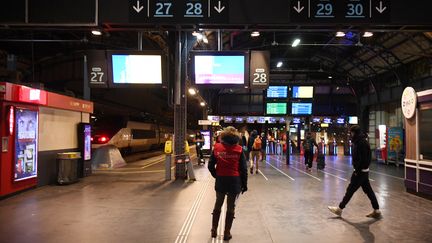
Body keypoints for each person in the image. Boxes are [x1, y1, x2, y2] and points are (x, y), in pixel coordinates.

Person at [328, 125, 381, 219]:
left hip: (360, 171)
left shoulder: (361, 143)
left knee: (350, 190)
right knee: (368, 191)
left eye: (351, 133)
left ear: (354, 133)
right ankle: (377, 210)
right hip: (363, 171)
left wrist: (357, 170)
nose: (350, 135)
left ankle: (339, 209)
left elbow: (363, 158)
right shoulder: (360, 141)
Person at [208, 126, 248, 240]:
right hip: (234, 181)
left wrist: (217, 175)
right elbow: (244, 169)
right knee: (231, 207)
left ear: (223, 136)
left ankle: (214, 230)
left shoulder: (217, 148)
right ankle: (226, 232)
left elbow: (210, 165)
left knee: (218, 203)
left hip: (221, 180)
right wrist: (244, 184)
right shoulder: (239, 149)